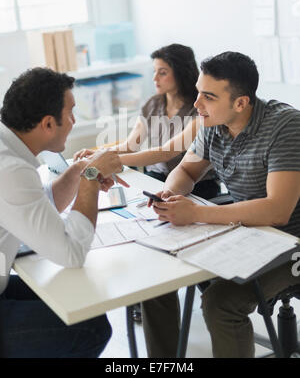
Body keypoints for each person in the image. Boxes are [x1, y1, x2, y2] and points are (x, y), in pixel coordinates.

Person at [148, 51, 300, 358]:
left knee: (221, 304)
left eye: (208, 96)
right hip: (247, 232)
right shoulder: (212, 122)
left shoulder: (286, 126)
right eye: (199, 91)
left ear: (241, 102)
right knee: (154, 281)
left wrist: (198, 213)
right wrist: (170, 193)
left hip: (291, 243)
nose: (197, 104)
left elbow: (276, 211)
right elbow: (186, 170)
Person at [0, 68, 129, 358]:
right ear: (48, 123)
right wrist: (91, 177)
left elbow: (39, 208)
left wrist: (78, 171)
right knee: (91, 328)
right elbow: (71, 252)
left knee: (80, 299)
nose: (73, 121)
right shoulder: (9, 169)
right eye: (71, 113)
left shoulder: (8, 153)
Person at [74, 44, 220, 200]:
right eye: (154, 71)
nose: (155, 78)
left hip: (196, 186)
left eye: (162, 73)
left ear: (181, 73)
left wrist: (106, 160)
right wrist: (101, 152)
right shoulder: (152, 104)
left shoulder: (200, 110)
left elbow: (166, 152)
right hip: (155, 178)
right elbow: (130, 145)